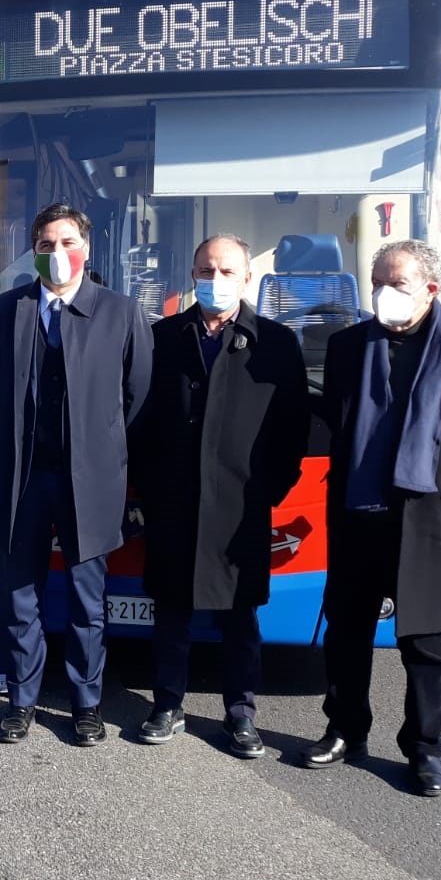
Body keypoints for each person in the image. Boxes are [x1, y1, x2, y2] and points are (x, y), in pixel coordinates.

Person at [300, 239, 441, 796]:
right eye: (376, 282)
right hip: (359, 514)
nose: (383, 294)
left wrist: (439, 483)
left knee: (426, 643)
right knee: (346, 632)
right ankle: (345, 730)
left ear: (430, 290)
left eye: (397, 283)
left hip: (429, 520)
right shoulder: (346, 348)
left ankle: (425, 749)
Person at [0, 202, 152, 746]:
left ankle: (86, 703)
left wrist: (102, 449)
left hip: (90, 481)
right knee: (21, 595)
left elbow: (137, 396)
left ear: (87, 248)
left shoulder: (121, 312)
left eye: (68, 242)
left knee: (86, 600)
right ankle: (22, 700)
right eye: (47, 244)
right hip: (24, 479)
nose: (58, 253)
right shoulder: (5, 311)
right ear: (34, 252)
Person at [130, 235, 309, 757]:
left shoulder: (276, 343)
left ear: (247, 278)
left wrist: (266, 493)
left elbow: (292, 428)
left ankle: (241, 714)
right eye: (206, 270)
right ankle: (166, 704)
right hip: (173, 503)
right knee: (171, 610)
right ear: (192, 275)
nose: (216, 280)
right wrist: (150, 487)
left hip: (241, 506)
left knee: (240, 615)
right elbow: (137, 421)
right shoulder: (161, 338)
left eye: (228, 271)